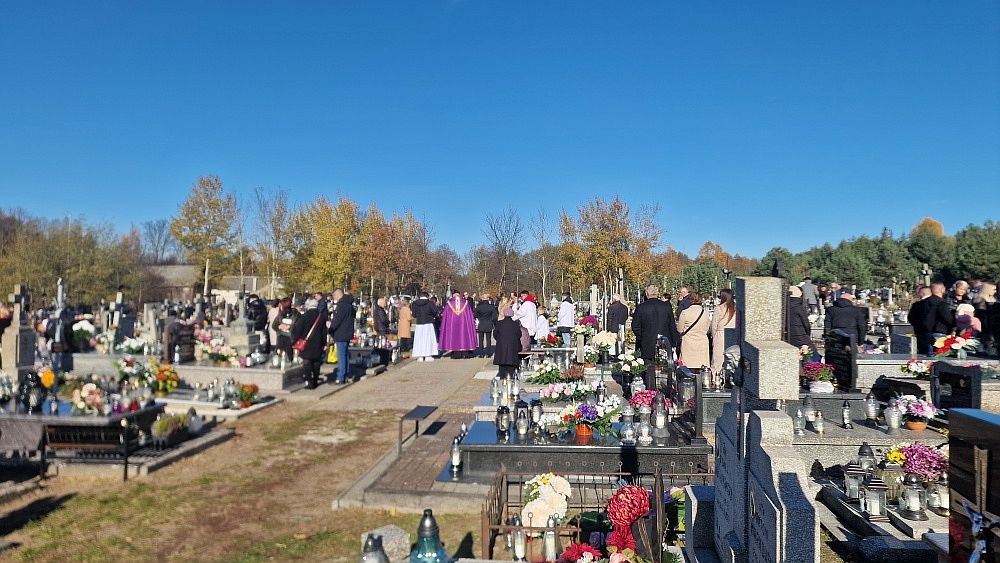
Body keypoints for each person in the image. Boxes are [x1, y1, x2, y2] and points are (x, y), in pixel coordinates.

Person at [631, 285, 679, 396]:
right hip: (664, 342)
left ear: (646, 294)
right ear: (657, 293)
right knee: (666, 369)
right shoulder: (666, 307)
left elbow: (635, 326)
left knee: (649, 369)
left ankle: (651, 393)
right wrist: (673, 343)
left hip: (647, 342)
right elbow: (672, 326)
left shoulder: (641, 307)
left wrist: (643, 337)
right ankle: (667, 394)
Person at [292, 298, 328, 389]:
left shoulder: (304, 316)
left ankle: (309, 381)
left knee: (307, 362)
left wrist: (295, 341)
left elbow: (298, 330)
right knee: (316, 362)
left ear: (308, 305)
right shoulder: (321, 317)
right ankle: (315, 380)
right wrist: (324, 343)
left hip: (306, 343)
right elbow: (324, 332)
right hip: (318, 342)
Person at [327, 289, 355, 384]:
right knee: (345, 355)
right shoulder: (349, 304)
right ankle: (346, 374)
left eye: (334, 296)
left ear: (337, 295)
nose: (334, 298)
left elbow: (337, 320)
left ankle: (341, 377)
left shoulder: (342, 305)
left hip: (341, 333)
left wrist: (331, 329)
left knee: (341, 356)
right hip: (347, 332)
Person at [677, 292, 711, 369]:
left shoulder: (685, 313)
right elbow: (707, 328)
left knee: (688, 367)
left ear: (690, 300)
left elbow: (680, 329)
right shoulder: (705, 313)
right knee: (701, 366)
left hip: (688, 343)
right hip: (702, 342)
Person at [439, 291, 477, 358]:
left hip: (452, 324)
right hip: (464, 324)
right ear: (459, 295)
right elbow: (470, 314)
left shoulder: (449, 303)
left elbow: (445, 315)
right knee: (465, 335)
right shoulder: (465, 302)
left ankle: (456, 354)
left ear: (453, 295)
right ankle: (466, 353)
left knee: (454, 336)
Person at [710, 288, 737, 375]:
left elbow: (714, 325)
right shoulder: (735, 308)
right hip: (733, 334)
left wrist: (714, 336)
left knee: (717, 360)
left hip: (720, 334)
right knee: (732, 359)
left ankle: (715, 376)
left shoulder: (719, 308)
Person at [922, 282, 954, 355]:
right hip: (940, 332)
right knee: (939, 356)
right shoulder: (941, 303)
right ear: (942, 289)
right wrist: (954, 325)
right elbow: (948, 318)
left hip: (925, 332)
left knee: (929, 355)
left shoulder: (924, 302)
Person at [493, 304, 522, 377]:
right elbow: (519, 335)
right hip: (512, 348)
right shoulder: (515, 324)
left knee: (502, 368)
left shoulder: (499, 323)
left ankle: (502, 379)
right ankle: (510, 379)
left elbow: (495, 335)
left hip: (501, 347)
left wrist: (500, 340)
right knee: (511, 369)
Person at [786, 286, 813, 360]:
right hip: (800, 336)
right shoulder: (799, 307)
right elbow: (806, 324)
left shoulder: (784, 306)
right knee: (812, 357)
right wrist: (807, 335)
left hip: (788, 337)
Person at [411, 292, 439, 362]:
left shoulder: (415, 303)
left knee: (419, 340)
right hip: (428, 322)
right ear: (427, 296)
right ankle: (428, 355)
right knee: (428, 339)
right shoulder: (430, 303)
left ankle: (420, 356)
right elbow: (435, 312)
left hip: (419, 323)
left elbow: (414, 314)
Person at [907, 286, 933, 356]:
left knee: (923, 354)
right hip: (936, 332)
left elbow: (911, 318)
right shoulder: (938, 302)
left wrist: (917, 325)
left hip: (920, 332)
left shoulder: (917, 305)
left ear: (922, 293)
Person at [972, 282, 997, 354]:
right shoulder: (980, 300)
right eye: (993, 289)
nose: (995, 291)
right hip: (984, 324)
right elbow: (982, 314)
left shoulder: (992, 299)